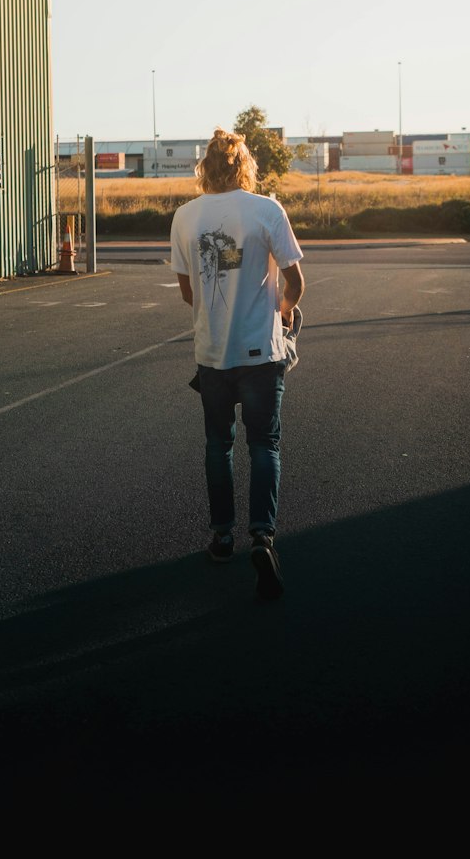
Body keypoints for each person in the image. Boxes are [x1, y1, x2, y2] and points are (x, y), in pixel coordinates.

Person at [170, 128, 304, 599]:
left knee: (218, 445)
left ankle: (222, 537)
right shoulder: (266, 209)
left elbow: (190, 293)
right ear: (245, 163)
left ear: (204, 167)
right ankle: (263, 536)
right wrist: (282, 309)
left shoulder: (185, 216)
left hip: (212, 356)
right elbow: (296, 282)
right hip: (262, 354)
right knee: (265, 444)